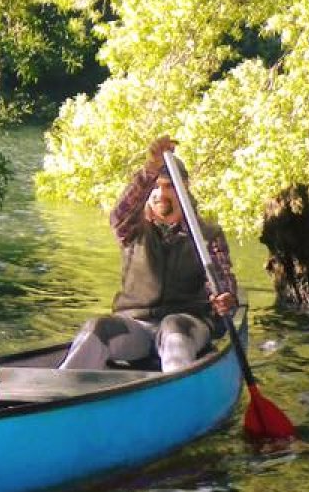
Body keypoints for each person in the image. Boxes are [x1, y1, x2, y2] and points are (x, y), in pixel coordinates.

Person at [60, 136, 237, 373]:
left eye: (169, 186)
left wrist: (224, 298)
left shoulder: (207, 235)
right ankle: (64, 387)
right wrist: (151, 168)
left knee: (174, 326)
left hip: (187, 324)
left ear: (184, 188)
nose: (160, 193)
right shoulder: (131, 228)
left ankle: (176, 388)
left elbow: (223, 283)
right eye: (156, 186)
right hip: (136, 325)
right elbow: (120, 212)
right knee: (98, 326)